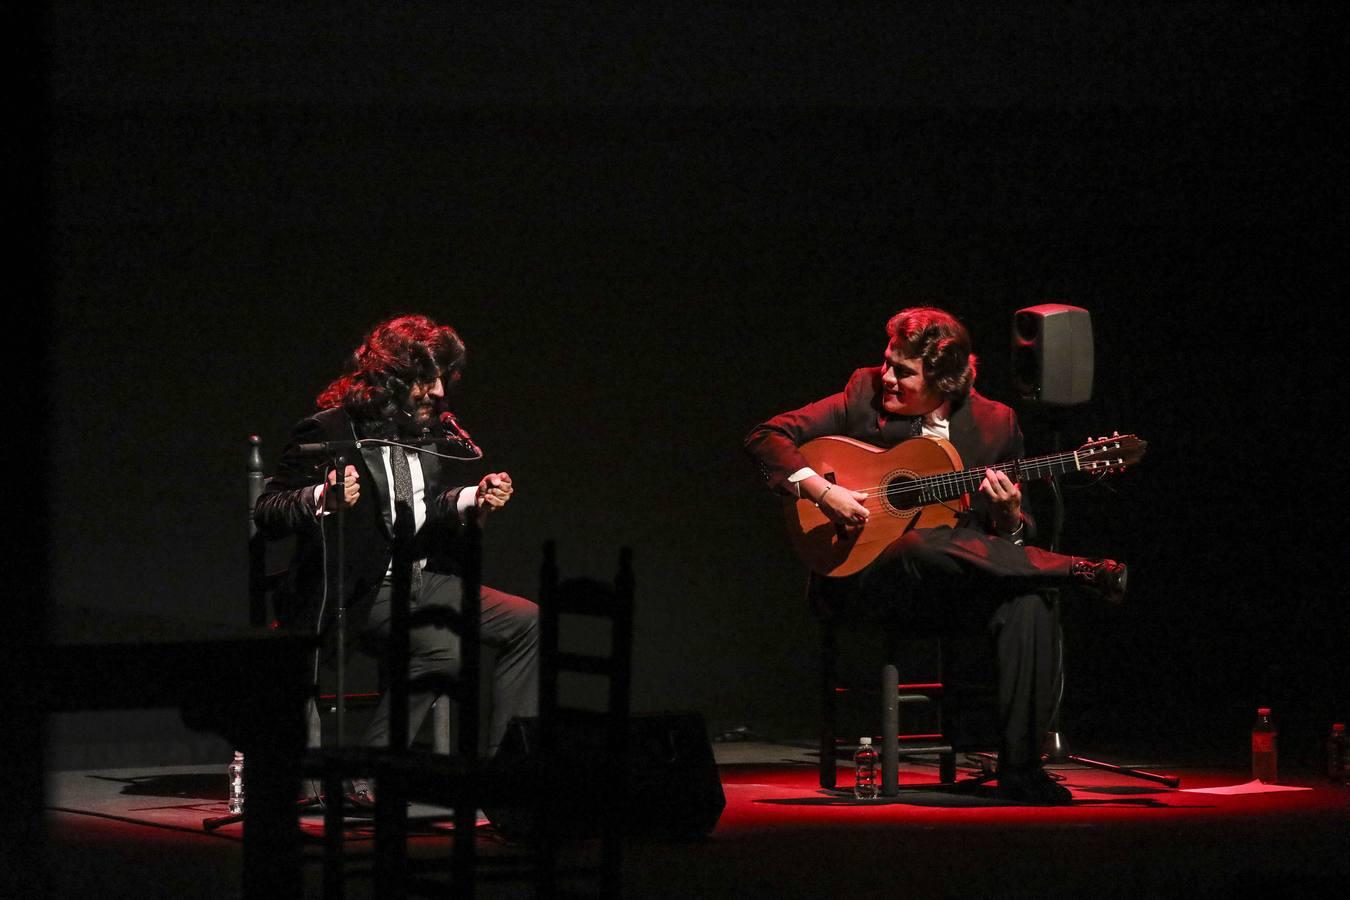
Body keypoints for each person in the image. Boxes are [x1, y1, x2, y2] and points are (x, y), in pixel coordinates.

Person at [744, 306, 1126, 804]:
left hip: (953, 587)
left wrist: (1009, 519)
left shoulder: (995, 424)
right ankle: (1076, 569)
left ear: (945, 381)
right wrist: (821, 491)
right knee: (919, 542)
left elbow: (1018, 531)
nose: (886, 377)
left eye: (902, 371)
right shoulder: (862, 393)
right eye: (887, 363)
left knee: (1030, 598)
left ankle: (1021, 770)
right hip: (865, 581)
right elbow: (765, 437)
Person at [254, 313, 538, 804]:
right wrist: (324, 495)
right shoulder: (329, 430)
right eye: (424, 380)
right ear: (390, 378)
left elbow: (423, 508)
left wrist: (474, 495)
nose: (438, 392)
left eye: (441, 379)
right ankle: (369, 772)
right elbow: (269, 510)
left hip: (421, 579)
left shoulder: (423, 431)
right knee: (442, 650)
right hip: (360, 588)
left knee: (528, 621)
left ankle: (506, 773)